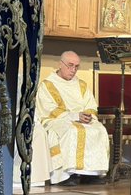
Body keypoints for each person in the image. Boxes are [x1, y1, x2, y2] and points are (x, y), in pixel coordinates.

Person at [33, 51, 110, 185]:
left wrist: (87, 116)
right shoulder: (47, 85)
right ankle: (67, 175)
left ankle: (91, 174)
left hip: (82, 120)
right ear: (60, 64)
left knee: (99, 130)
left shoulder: (81, 85)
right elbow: (49, 110)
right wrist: (75, 116)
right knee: (71, 131)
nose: (73, 70)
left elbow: (91, 105)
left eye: (76, 66)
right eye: (70, 65)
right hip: (57, 121)